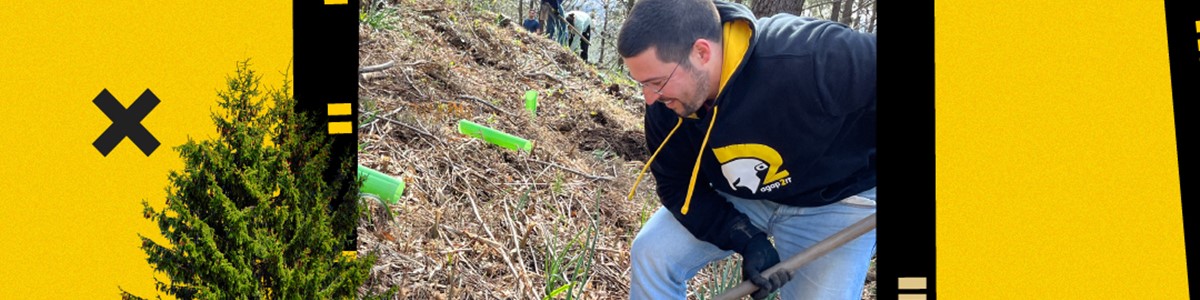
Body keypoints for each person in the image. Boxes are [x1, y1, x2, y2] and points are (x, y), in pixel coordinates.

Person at [617, 0, 876, 299]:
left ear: (701, 52)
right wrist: (743, 236)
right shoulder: (666, 106)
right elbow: (677, 187)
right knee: (653, 253)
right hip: (744, 194)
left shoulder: (808, 55)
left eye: (657, 82)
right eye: (642, 84)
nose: (649, 98)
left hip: (837, 199)